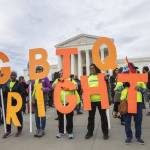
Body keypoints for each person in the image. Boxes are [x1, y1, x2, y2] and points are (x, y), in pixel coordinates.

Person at [53, 71, 80, 139]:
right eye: (60, 73)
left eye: (63, 73)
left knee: (69, 118)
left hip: (69, 102)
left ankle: (70, 132)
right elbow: (52, 86)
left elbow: (76, 87)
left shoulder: (70, 80)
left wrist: (67, 88)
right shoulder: (57, 80)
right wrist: (58, 82)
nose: (61, 74)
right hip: (59, 102)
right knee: (60, 118)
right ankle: (60, 132)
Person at [85, 64, 109, 140]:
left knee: (103, 117)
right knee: (91, 118)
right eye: (90, 68)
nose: (91, 69)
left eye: (93, 68)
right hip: (91, 101)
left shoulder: (101, 77)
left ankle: (105, 133)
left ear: (96, 68)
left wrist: (106, 80)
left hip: (101, 100)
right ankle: (90, 132)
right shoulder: (88, 78)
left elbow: (106, 87)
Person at [2, 71, 24, 138]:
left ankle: (19, 129)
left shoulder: (19, 84)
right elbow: (4, 92)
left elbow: (22, 92)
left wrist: (16, 97)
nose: (12, 76)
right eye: (11, 75)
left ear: (16, 76)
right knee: (8, 117)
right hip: (8, 103)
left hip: (16, 103)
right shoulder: (7, 83)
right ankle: (8, 131)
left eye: (14, 75)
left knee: (18, 116)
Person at [32, 66, 51, 138]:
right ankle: (38, 129)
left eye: (40, 70)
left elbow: (49, 88)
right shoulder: (34, 79)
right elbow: (32, 89)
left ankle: (42, 129)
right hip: (35, 100)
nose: (39, 71)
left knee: (42, 115)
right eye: (37, 70)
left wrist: (44, 89)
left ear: (42, 71)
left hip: (42, 100)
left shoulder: (45, 78)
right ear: (36, 71)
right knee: (36, 115)